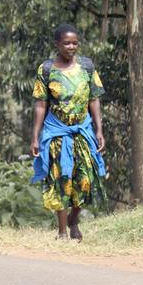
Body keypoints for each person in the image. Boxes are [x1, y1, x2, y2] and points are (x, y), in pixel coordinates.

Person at [30, 24, 107, 241]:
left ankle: (74, 220)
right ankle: (63, 231)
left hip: (83, 132)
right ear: (57, 44)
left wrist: (99, 130)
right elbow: (40, 105)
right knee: (61, 180)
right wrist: (35, 137)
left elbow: (94, 99)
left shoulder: (87, 67)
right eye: (66, 43)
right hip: (56, 133)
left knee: (85, 181)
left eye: (74, 43)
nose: (71, 47)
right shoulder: (46, 70)